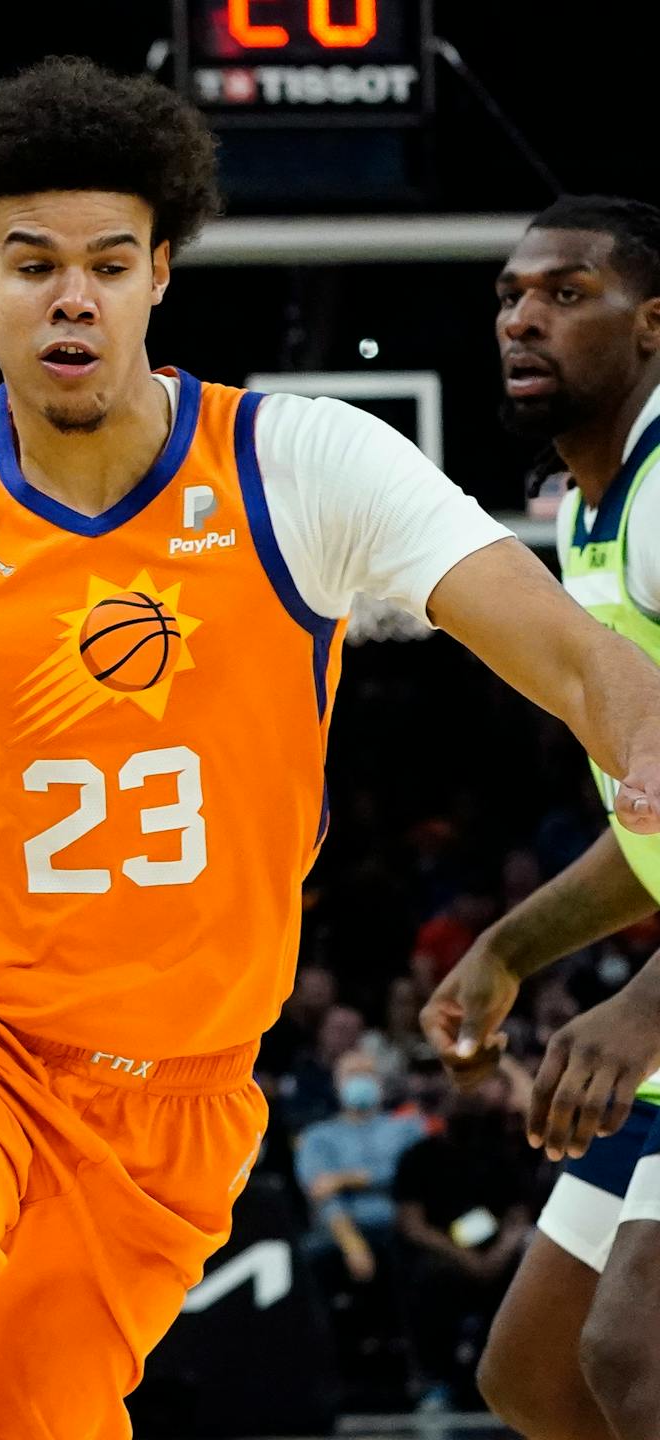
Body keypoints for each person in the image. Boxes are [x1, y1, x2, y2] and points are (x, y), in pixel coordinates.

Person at [0, 59, 660, 1440]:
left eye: (107, 262)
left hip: (177, 1095)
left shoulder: (305, 466)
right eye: (32, 264)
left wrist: (639, 731)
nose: (71, 296)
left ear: (162, 275)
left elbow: (570, 650)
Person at [427, 195, 660, 1440]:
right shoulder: (586, 508)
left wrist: (645, 1004)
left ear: (653, 325)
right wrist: (514, 945)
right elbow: (652, 829)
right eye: (514, 296)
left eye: (569, 293)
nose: (525, 316)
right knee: (538, 1370)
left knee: (638, 1351)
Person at [392, 1076, 538, 1407]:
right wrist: (463, 1257)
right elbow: (412, 1225)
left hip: (496, 1252)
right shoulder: (418, 1156)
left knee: (527, 1276)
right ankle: (436, 1380)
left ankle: (510, 1381)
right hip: (441, 1252)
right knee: (429, 1279)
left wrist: (498, 1255)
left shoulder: (501, 1156)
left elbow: (519, 1218)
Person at [293, 1051, 424, 1293]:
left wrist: (344, 1179)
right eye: (352, 1075)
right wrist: (352, 1244)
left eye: (367, 1074)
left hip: (409, 1229)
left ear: (381, 1083)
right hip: (345, 1232)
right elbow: (321, 1192)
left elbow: (416, 1177)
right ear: (336, 1084)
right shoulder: (317, 1137)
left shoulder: (408, 1127)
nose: (360, 1081)